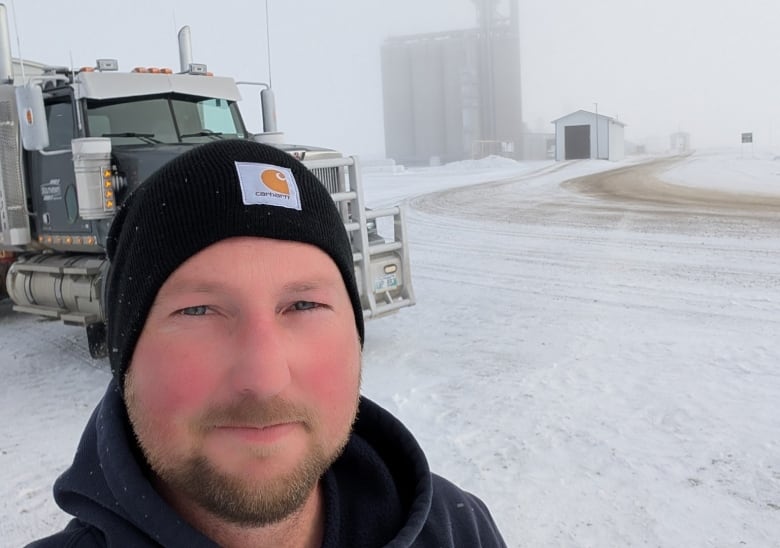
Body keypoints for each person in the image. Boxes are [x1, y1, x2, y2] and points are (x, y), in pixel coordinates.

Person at [27, 139, 506, 547]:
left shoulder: (458, 529)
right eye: (197, 311)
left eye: (304, 306)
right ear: (125, 358)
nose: (264, 379)